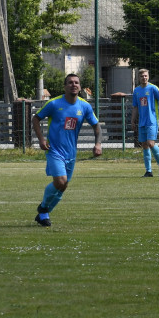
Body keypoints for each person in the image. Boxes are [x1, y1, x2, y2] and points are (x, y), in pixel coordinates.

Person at [32, 73, 102, 227]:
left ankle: (44, 213)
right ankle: (43, 208)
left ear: (80, 87)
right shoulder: (54, 103)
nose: (73, 85)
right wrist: (41, 139)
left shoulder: (84, 106)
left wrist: (98, 144)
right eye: (70, 82)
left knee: (63, 186)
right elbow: (36, 118)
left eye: (76, 82)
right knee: (60, 181)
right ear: (65, 87)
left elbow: (96, 126)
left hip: (71, 153)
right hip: (54, 150)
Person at [131, 68, 159, 177]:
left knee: (150, 143)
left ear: (148, 76)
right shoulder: (136, 91)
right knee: (144, 145)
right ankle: (148, 171)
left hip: (152, 120)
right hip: (142, 122)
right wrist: (133, 120)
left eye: (145, 76)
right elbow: (135, 107)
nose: (144, 78)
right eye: (142, 76)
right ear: (138, 78)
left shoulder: (153, 88)